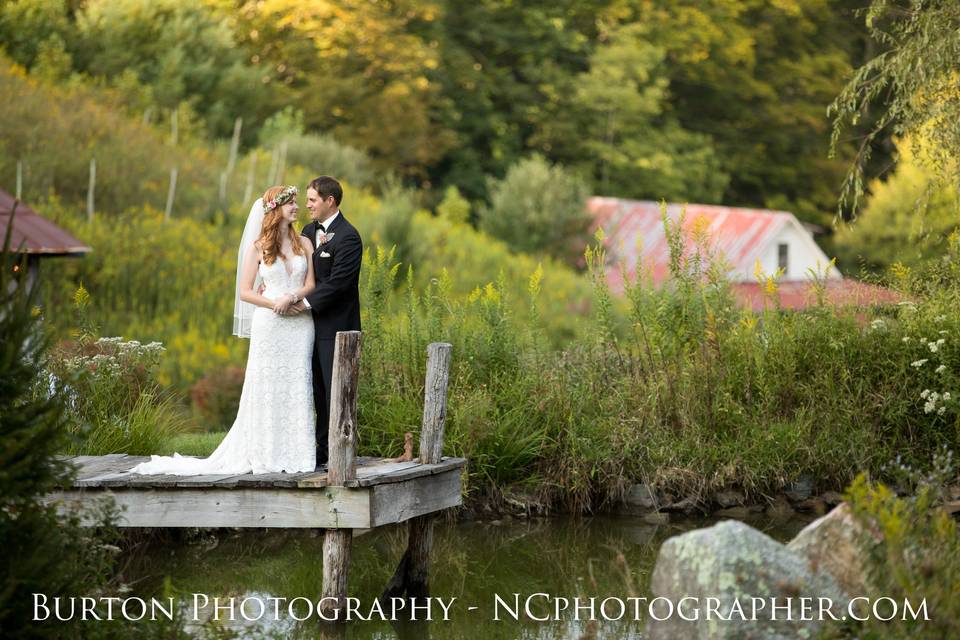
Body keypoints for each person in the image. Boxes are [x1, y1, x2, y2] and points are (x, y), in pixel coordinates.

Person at [130, 185, 317, 475]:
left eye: (296, 202)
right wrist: (273, 303)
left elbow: (311, 285)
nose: (297, 207)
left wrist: (292, 299)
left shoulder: (304, 243)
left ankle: (297, 454)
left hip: (300, 324)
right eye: (291, 203)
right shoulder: (259, 247)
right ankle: (266, 453)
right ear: (275, 209)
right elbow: (245, 292)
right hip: (271, 323)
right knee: (266, 386)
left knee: (296, 384)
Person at [287, 176, 363, 466]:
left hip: (337, 329)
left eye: (312, 200)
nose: (307, 205)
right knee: (315, 389)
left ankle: (340, 450)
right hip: (307, 328)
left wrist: (303, 303)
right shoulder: (307, 231)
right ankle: (320, 449)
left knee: (336, 392)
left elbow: (339, 283)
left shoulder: (349, 237)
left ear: (329, 201)